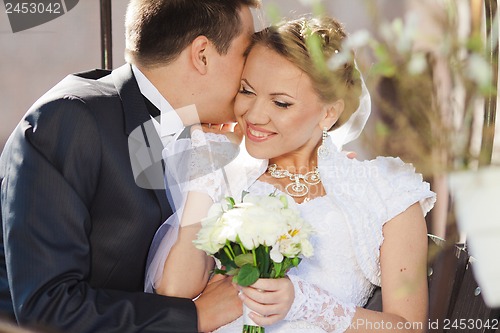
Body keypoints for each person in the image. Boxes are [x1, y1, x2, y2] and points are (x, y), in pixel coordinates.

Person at [148, 15, 436, 332]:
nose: (254, 115)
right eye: (246, 91)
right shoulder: (226, 174)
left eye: (281, 103)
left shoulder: (385, 190)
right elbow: (175, 292)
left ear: (328, 113)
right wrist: (206, 175)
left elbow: (408, 327)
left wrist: (304, 301)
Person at [0, 0, 261, 332]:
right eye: (246, 52)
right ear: (202, 54)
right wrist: (196, 315)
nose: (253, 69)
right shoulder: (70, 120)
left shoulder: (206, 137)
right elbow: (48, 306)